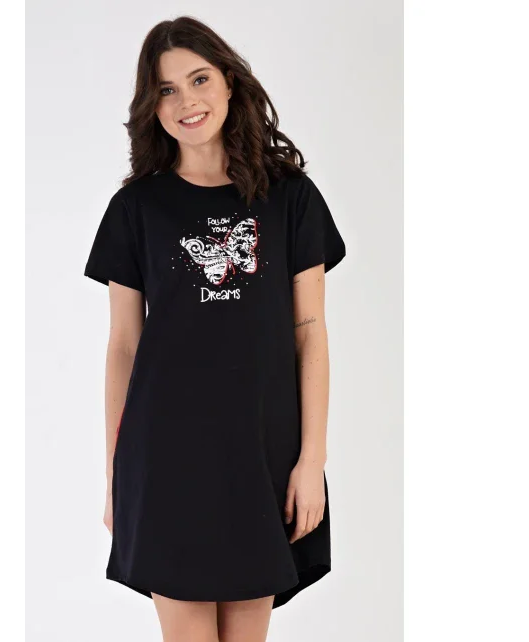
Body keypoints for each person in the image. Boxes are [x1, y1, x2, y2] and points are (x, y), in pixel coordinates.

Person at [84, 16, 347, 642]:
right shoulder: (136, 208)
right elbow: (124, 347)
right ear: (151, 107)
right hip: (166, 457)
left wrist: (311, 461)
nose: (186, 100)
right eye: (166, 89)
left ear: (230, 81)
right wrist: (116, 474)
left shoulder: (290, 199)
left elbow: (310, 335)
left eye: (198, 79)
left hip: (262, 453)